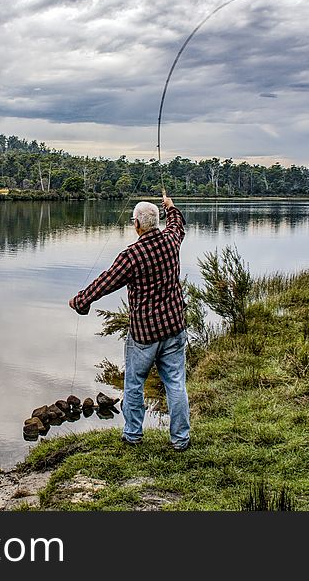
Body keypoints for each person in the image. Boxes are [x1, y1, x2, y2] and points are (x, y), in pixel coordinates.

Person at [69, 192, 190, 451]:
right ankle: (180, 440)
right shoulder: (171, 241)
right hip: (174, 328)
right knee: (176, 384)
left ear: (136, 225)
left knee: (134, 384)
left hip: (144, 334)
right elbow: (178, 224)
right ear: (155, 222)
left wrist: (82, 301)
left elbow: (106, 281)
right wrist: (171, 207)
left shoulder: (132, 255)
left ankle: (133, 435)